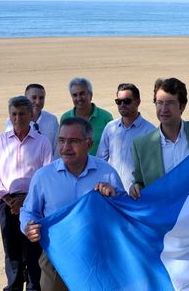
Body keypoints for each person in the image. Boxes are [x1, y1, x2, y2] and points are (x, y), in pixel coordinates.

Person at [20, 117, 125, 291]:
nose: (66, 147)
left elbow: (124, 210)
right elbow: (29, 211)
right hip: (56, 258)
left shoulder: (106, 173)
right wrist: (28, 226)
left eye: (74, 141)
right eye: (61, 140)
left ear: (89, 143)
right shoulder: (44, 176)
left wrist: (113, 196)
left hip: (98, 258)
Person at [0, 96, 53, 291]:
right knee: (12, 250)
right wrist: (9, 199)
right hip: (7, 203)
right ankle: (14, 286)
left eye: (22, 114)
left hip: (34, 203)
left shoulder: (42, 142)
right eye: (14, 114)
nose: (18, 118)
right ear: (9, 116)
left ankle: (34, 287)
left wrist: (26, 199)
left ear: (31, 115)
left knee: (34, 248)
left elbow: (46, 173)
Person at [129, 78, 189, 199]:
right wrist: (135, 187)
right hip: (164, 214)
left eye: (170, 103)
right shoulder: (141, 145)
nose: (163, 109)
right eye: (159, 103)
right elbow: (139, 182)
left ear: (182, 106)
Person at [96, 83, 155, 191]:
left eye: (127, 101)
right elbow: (100, 161)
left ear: (138, 102)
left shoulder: (150, 132)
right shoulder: (110, 128)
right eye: (119, 101)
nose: (122, 104)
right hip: (112, 194)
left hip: (137, 195)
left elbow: (152, 170)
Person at [60, 77, 112, 156]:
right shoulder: (65, 118)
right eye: (74, 95)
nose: (79, 98)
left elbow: (111, 147)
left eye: (82, 93)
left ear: (90, 95)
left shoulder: (106, 117)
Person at [5, 84, 60, 155]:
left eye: (41, 98)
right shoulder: (13, 121)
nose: (38, 102)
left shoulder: (52, 120)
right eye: (34, 97)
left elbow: (56, 146)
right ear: (25, 99)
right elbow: (10, 146)